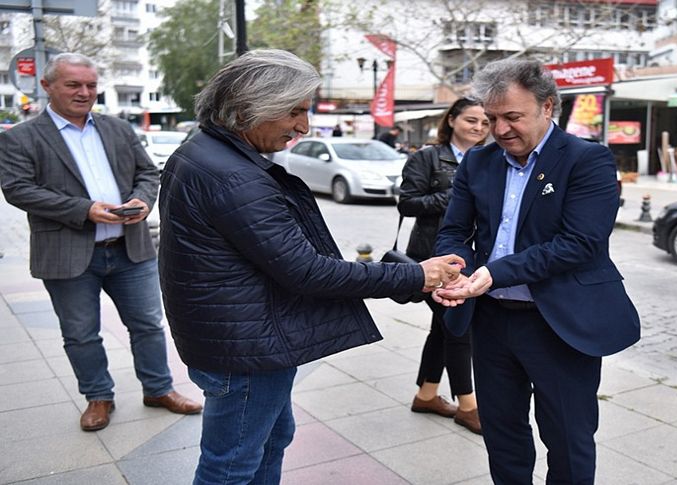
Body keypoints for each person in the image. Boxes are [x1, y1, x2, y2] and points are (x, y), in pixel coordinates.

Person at [157, 49, 463, 485]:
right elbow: (309, 272)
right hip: (244, 347)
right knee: (231, 465)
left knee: (272, 438)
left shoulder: (203, 151)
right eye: (294, 111)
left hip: (234, 333)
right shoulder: (234, 177)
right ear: (248, 108)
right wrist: (418, 274)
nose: (303, 126)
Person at [432, 59, 640, 484]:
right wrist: (455, 270)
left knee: (568, 438)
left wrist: (495, 273)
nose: (501, 129)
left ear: (548, 107)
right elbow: (454, 231)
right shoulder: (478, 162)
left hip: (559, 324)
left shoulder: (589, 160)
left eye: (512, 117)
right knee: (502, 434)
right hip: (491, 322)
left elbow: (580, 243)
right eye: (492, 119)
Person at [0, 53, 202, 432]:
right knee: (80, 333)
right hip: (68, 254)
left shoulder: (117, 128)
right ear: (47, 87)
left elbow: (147, 172)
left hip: (130, 249)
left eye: (91, 85)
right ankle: (98, 397)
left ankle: (158, 388)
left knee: (147, 324)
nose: (84, 92)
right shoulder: (22, 138)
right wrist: (85, 209)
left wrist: (143, 200)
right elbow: (18, 190)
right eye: (73, 85)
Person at [397, 97, 490, 434]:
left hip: (471, 260)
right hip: (432, 258)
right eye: (471, 120)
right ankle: (468, 406)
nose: (478, 128)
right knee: (458, 326)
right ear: (452, 120)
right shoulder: (427, 157)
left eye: (484, 122)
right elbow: (407, 203)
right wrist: (456, 195)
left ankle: (426, 395)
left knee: (444, 327)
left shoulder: (489, 160)